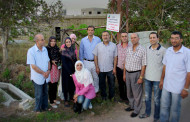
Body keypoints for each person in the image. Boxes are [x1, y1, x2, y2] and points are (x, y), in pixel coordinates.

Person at [159, 31, 190, 122]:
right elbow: (165, 66)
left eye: (176, 38)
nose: (174, 40)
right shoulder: (168, 50)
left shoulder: (187, 52)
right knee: (164, 107)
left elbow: (189, 72)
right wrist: (161, 80)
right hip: (166, 86)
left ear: (181, 39)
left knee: (175, 110)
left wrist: (186, 88)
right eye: (172, 38)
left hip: (178, 88)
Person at [139, 32, 166, 122]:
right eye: (150, 38)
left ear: (158, 38)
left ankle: (156, 116)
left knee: (157, 99)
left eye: (154, 37)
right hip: (147, 78)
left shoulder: (163, 50)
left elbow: (165, 66)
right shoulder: (147, 49)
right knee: (147, 97)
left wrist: (162, 79)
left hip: (158, 79)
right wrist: (142, 76)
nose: (152, 39)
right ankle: (147, 113)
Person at [123, 33, 146, 117]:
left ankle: (137, 109)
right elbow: (126, 61)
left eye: (135, 38)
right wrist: (124, 74)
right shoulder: (128, 49)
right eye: (131, 38)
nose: (133, 39)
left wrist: (141, 77)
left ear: (138, 39)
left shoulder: (142, 49)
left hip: (136, 74)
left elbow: (144, 65)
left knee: (137, 94)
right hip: (128, 73)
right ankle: (132, 106)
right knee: (129, 92)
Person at [27, 34, 50, 113]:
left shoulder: (45, 49)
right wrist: (43, 73)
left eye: (43, 39)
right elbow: (33, 66)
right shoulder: (31, 51)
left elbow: (48, 61)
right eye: (42, 40)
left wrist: (48, 70)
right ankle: (37, 109)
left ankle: (45, 107)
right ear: (37, 41)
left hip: (46, 76)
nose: (44, 41)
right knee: (38, 94)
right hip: (37, 77)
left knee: (45, 93)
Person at [93, 31, 117, 101]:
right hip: (101, 69)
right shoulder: (98, 45)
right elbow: (95, 56)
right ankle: (104, 97)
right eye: (104, 35)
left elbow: (115, 57)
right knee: (102, 84)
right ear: (102, 37)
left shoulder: (113, 45)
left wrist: (114, 68)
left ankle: (111, 97)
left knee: (111, 84)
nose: (105, 37)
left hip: (110, 68)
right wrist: (97, 67)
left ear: (109, 36)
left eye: (106, 35)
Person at [79, 25, 101, 93]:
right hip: (86, 61)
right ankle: (87, 90)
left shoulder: (98, 39)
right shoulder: (83, 40)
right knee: (86, 77)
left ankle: (96, 90)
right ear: (87, 31)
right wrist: (82, 62)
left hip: (95, 62)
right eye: (89, 30)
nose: (90, 31)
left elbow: (100, 51)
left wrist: (99, 63)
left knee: (96, 77)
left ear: (94, 31)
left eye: (92, 30)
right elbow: (81, 52)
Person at [61, 37, 77, 107]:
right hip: (66, 72)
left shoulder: (73, 50)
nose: (68, 43)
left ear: (71, 42)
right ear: (65, 43)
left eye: (69, 42)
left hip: (73, 71)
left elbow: (75, 60)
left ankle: (71, 97)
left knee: (72, 85)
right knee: (65, 86)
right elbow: (64, 63)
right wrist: (70, 72)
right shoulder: (63, 51)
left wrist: (76, 70)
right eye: (67, 42)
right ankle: (66, 100)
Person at [116, 32, 131, 104]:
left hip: (128, 69)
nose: (124, 38)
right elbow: (116, 57)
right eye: (123, 36)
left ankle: (128, 98)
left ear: (127, 37)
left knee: (127, 84)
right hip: (119, 68)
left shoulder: (131, 46)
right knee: (120, 84)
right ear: (120, 38)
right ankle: (122, 97)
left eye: (125, 36)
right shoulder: (118, 46)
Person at [46, 36, 61, 109]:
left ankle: (54, 98)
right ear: (49, 41)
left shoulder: (57, 48)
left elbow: (59, 56)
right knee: (51, 84)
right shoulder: (46, 49)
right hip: (50, 68)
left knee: (55, 83)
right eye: (51, 41)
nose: (53, 42)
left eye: (54, 41)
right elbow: (45, 58)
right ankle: (51, 101)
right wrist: (51, 61)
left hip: (57, 68)